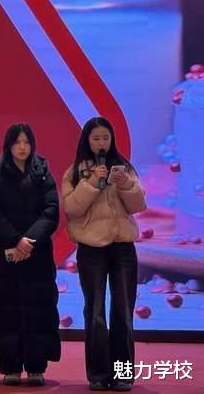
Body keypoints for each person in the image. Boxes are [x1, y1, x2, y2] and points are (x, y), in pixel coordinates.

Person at [61, 117, 146, 392]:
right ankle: (98, 374)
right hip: (91, 249)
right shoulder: (75, 172)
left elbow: (139, 205)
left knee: (123, 311)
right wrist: (92, 182)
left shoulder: (125, 168)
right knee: (95, 311)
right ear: (87, 140)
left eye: (106, 138)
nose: (101, 143)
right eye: (96, 138)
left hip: (122, 248)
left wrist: (125, 185)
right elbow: (72, 209)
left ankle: (123, 374)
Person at [0, 123, 61, 386]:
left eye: (27, 142)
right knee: (7, 310)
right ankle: (10, 366)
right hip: (5, 254)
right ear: (9, 145)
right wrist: (16, 240)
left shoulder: (43, 173)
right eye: (17, 142)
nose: (23, 147)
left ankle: (37, 367)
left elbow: (51, 210)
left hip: (37, 254)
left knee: (39, 309)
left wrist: (30, 241)